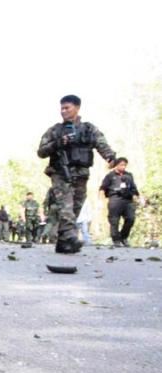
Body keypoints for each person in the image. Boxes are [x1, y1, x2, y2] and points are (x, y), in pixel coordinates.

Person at [37, 94, 117, 254]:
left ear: (77, 108)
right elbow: (41, 152)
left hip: (81, 174)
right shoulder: (55, 130)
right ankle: (71, 238)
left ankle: (63, 242)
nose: (63, 111)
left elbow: (101, 143)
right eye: (62, 108)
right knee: (65, 207)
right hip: (60, 173)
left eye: (67, 108)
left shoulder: (88, 128)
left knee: (75, 207)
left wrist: (110, 156)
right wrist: (58, 143)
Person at [99, 157, 142, 246]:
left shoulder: (129, 175)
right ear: (116, 165)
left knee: (130, 218)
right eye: (121, 165)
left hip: (128, 200)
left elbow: (134, 188)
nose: (123, 167)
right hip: (115, 199)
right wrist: (101, 200)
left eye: (125, 165)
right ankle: (116, 240)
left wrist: (137, 197)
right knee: (114, 221)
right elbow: (103, 188)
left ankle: (123, 237)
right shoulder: (110, 176)